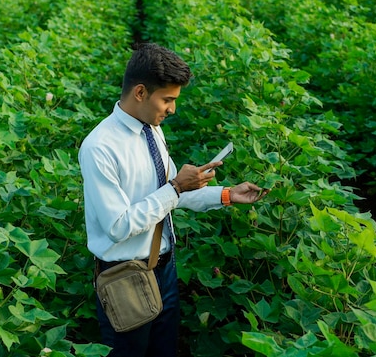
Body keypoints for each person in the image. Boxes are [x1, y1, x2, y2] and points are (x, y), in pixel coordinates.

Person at [78, 43, 268, 357]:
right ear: (140, 92)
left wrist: (225, 195)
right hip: (123, 275)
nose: (172, 109)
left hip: (164, 268)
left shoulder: (152, 130)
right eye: (167, 100)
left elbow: (168, 197)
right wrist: (177, 187)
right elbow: (118, 225)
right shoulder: (100, 147)